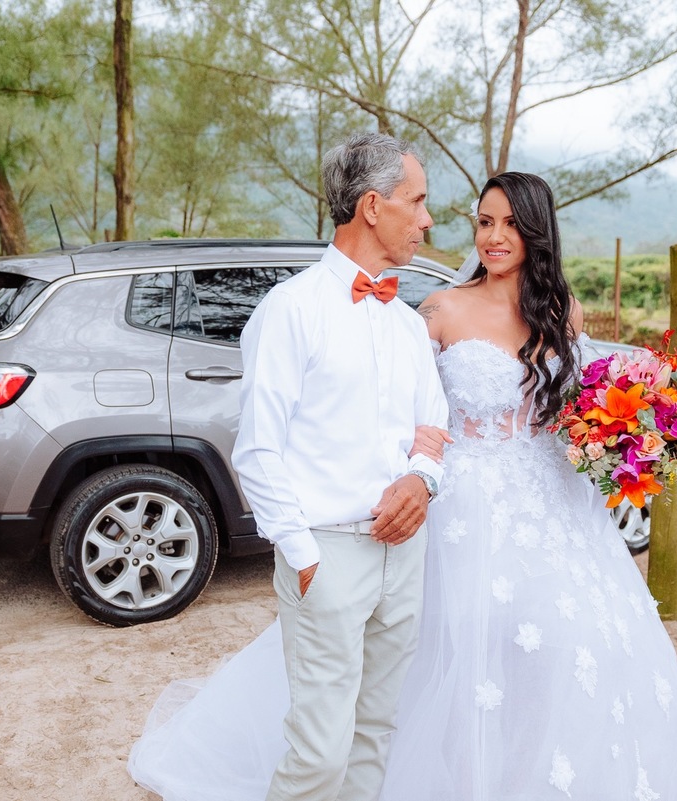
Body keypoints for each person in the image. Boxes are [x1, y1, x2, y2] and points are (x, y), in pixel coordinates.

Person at [128, 171, 677, 800]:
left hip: (550, 497)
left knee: (555, 646)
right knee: (444, 649)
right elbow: (395, 404)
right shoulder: (439, 310)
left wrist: (622, 432)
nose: (493, 236)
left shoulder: (564, 309)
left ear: (539, 231)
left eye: (511, 224)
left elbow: (569, 407)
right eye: (484, 222)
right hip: (463, 498)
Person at [128, 132, 449, 801]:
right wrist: (304, 557)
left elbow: (432, 426)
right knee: (320, 752)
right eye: (416, 201)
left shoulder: (407, 323)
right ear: (371, 206)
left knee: (375, 731)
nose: (426, 219)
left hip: (405, 554)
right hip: (327, 554)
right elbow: (258, 449)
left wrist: (422, 479)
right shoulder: (291, 310)